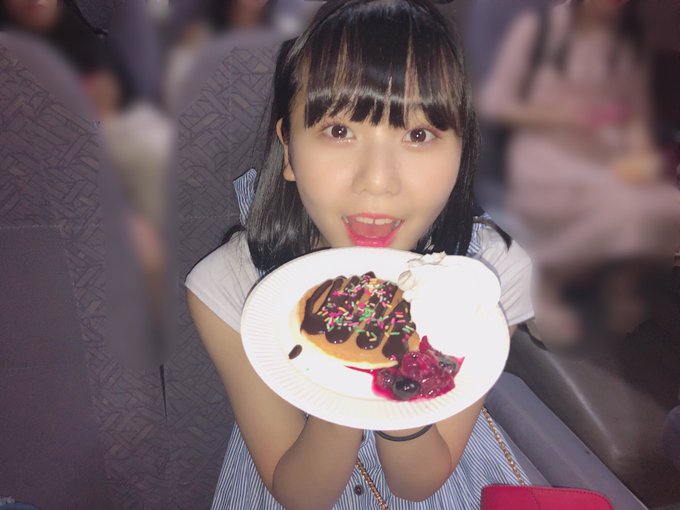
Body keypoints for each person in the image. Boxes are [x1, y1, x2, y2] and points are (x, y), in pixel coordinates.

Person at [186, 1, 534, 508]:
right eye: (339, 131)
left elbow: (416, 485)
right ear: (288, 150)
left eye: (418, 135)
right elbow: (301, 495)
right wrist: (342, 359)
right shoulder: (232, 286)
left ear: (462, 154)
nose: (377, 181)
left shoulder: (491, 276)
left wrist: (405, 367)